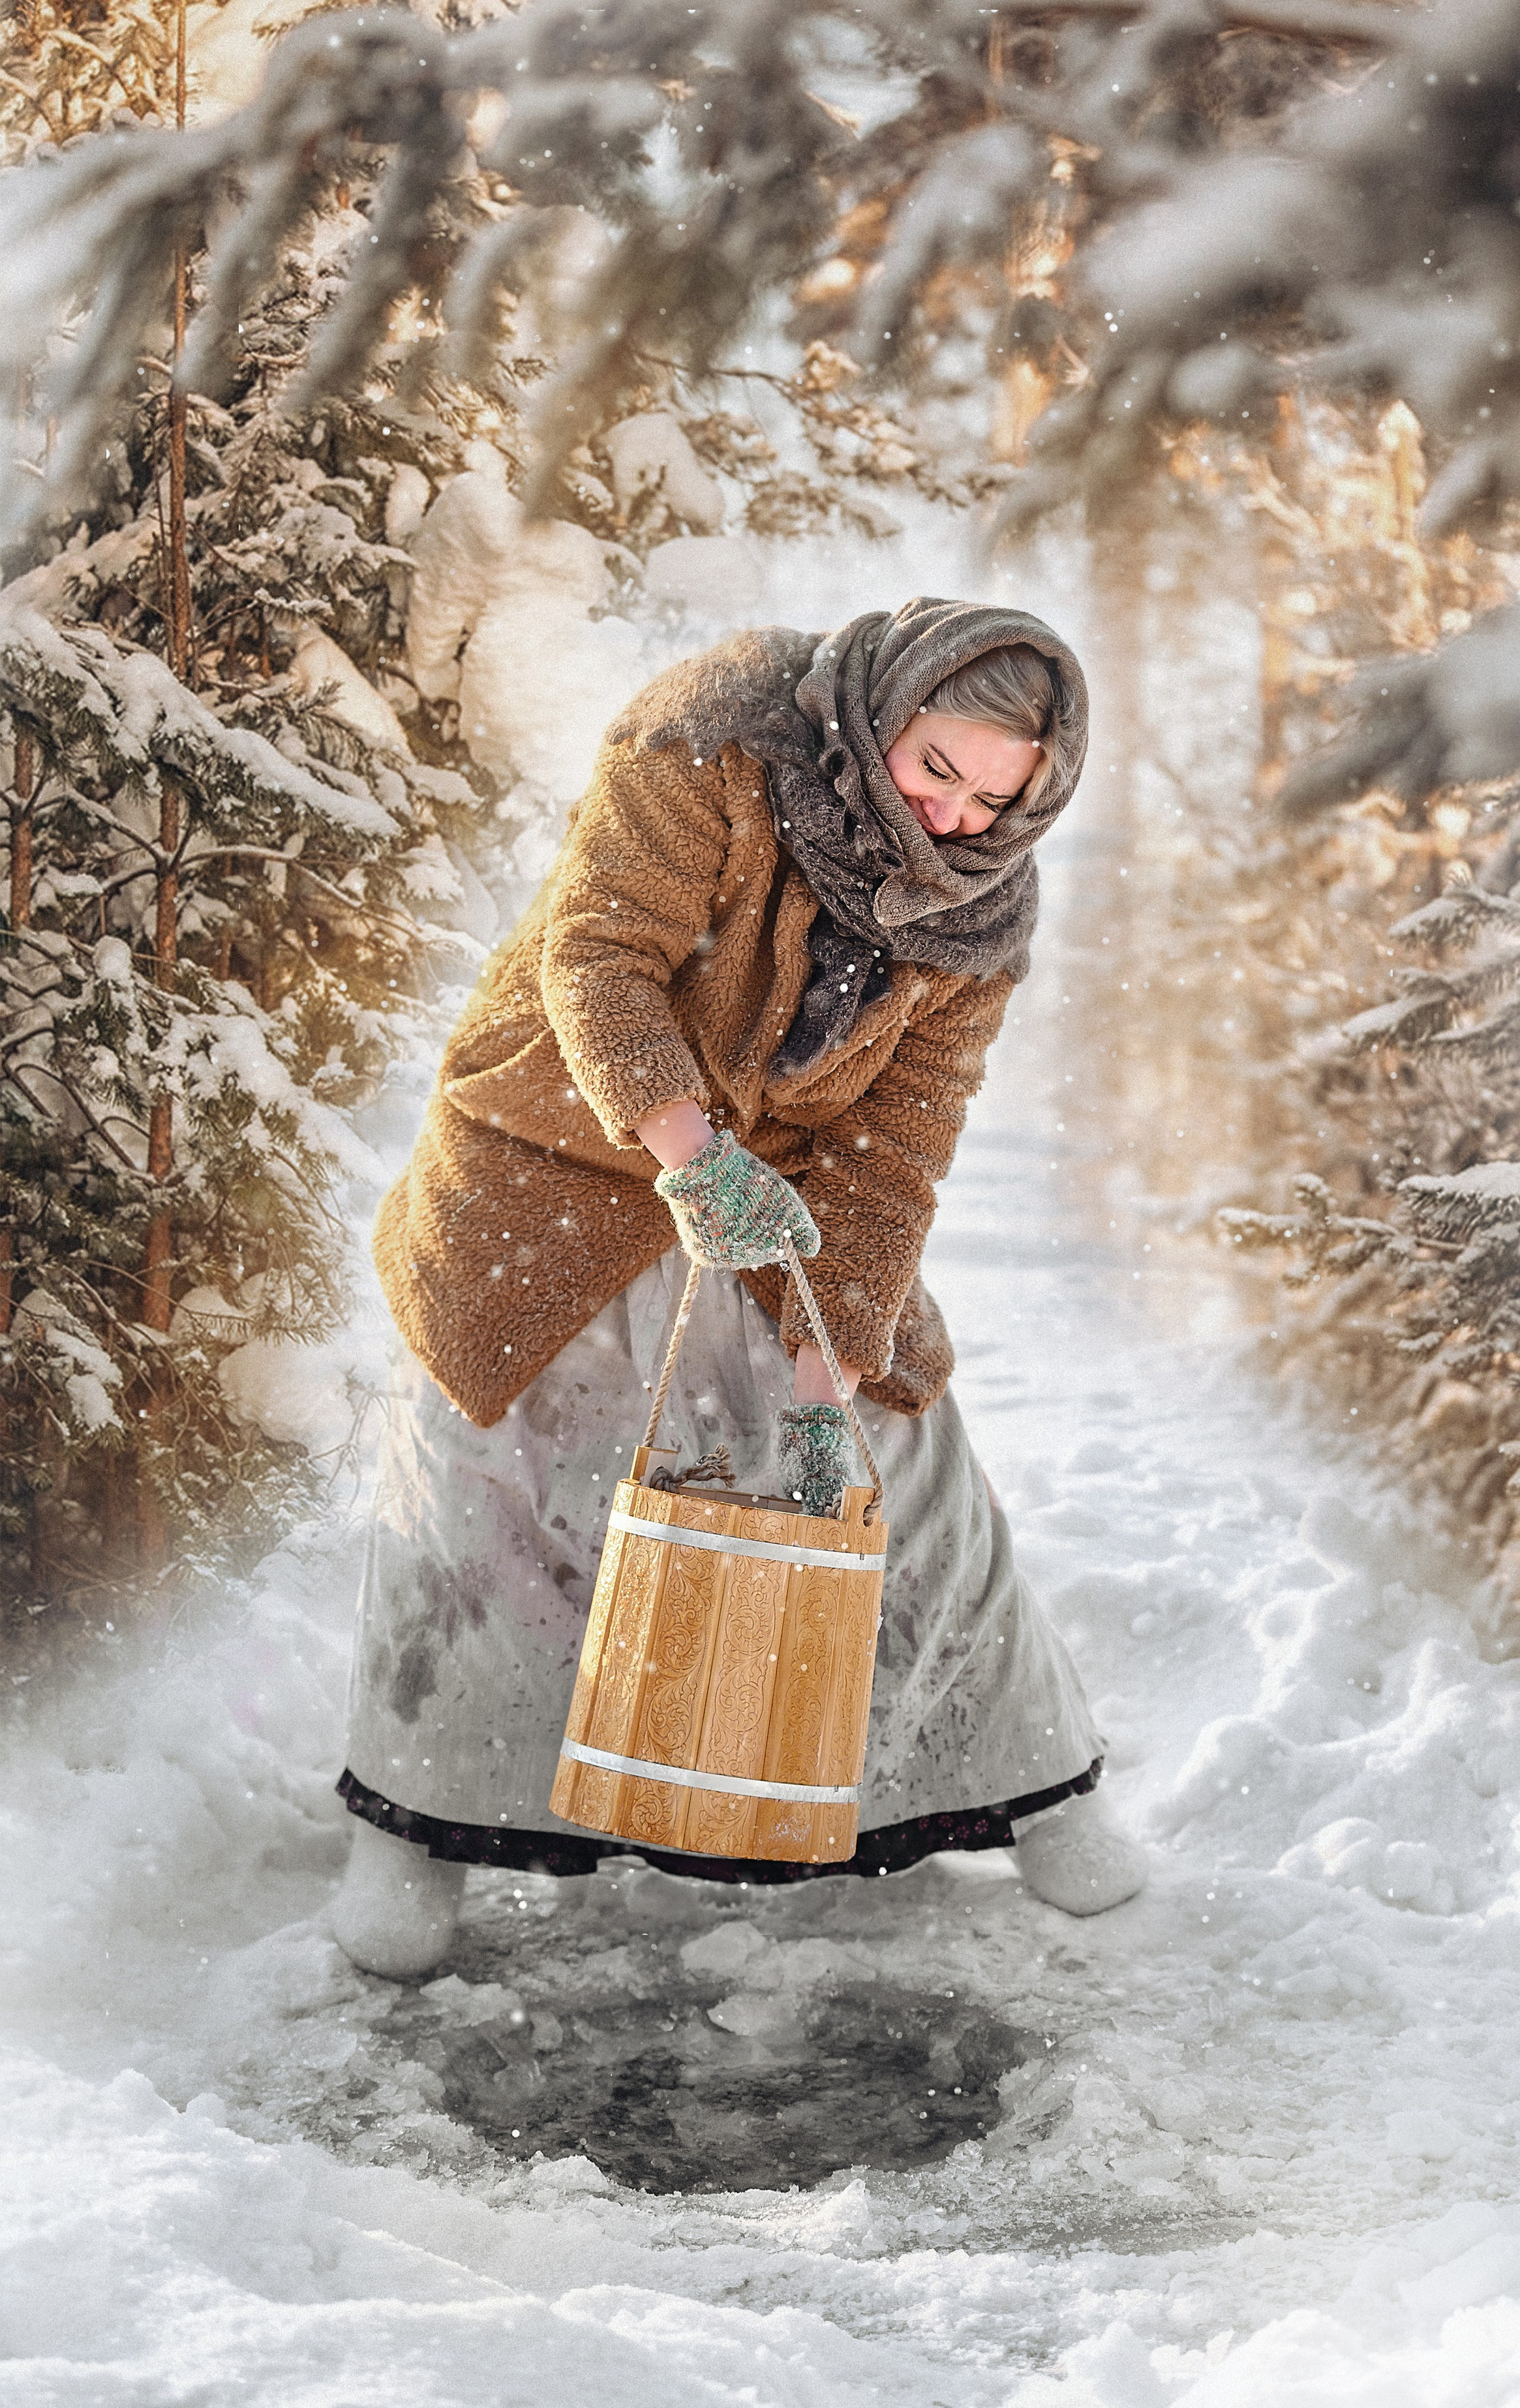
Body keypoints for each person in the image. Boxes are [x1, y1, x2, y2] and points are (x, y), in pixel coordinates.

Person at [331, 596, 1148, 1979]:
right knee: (497, 1473)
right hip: (558, 1147)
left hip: (779, 1203)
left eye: (987, 799)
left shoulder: (979, 910)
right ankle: (412, 1826)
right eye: (930, 768)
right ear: (882, 715)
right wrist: (686, 1151)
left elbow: (896, 1152)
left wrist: (832, 1367)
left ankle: (1023, 1788)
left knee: (890, 1456)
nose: (949, 816)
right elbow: (598, 963)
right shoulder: (712, 740)